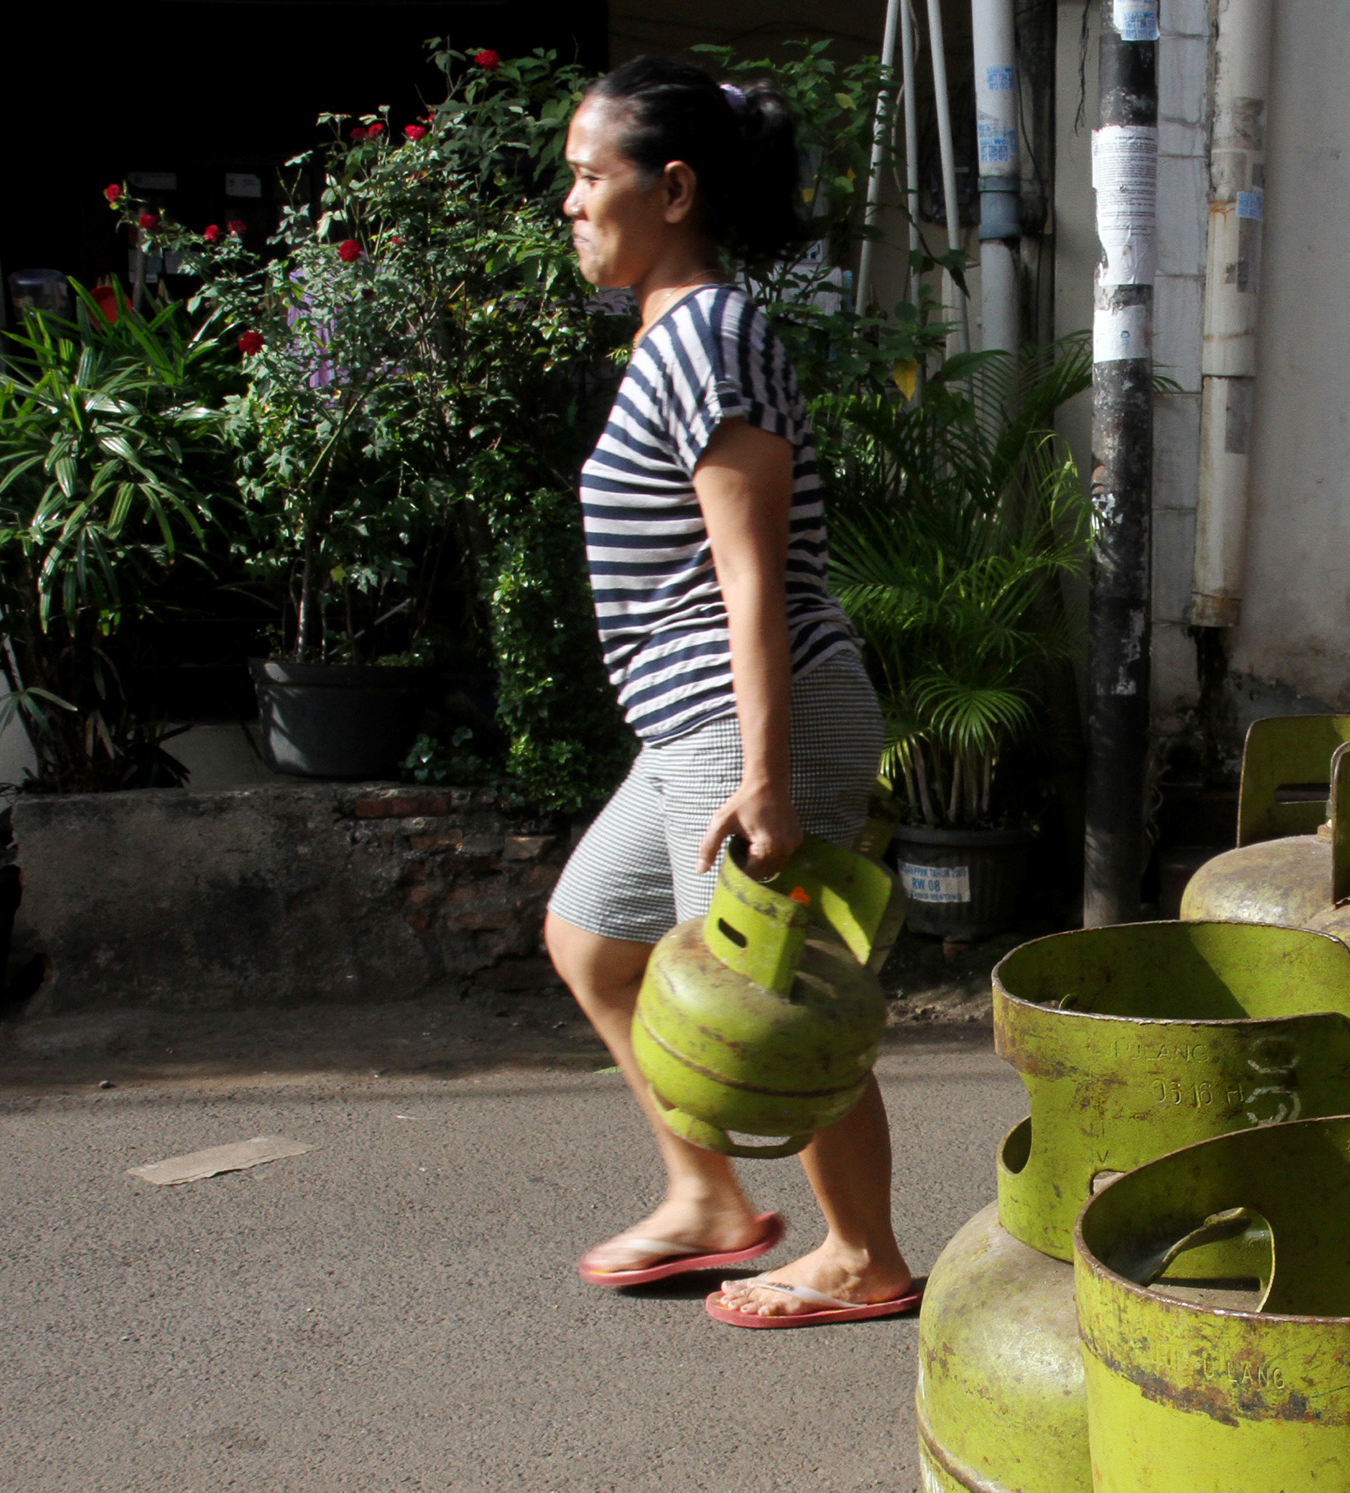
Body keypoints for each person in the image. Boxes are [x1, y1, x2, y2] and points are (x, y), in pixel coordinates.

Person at [543, 56, 918, 1328]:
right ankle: (706, 1198)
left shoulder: (709, 333)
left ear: (676, 188)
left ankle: (861, 1251)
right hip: (689, 726)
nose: (572, 203)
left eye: (591, 176)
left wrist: (764, 777)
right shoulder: (670, 336)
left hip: (755, 715)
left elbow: (749, 575)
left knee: (777, 998)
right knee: (593, 937)